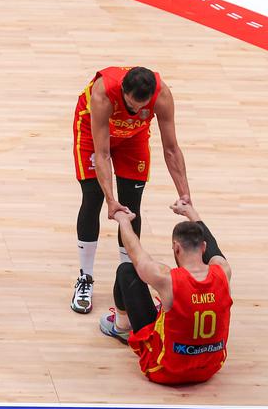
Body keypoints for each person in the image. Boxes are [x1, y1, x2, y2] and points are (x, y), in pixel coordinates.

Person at [72, 65, 191, 314]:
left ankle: (128, 277)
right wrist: (110, 199)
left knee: (131, 205)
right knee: (93, 197)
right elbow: (102, 153)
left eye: (141, 106)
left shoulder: (163, 95)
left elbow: (171, 148)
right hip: (93, 130)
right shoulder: (102, 94)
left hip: (133, 136)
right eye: (131, 105)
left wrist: (185, 194)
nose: (136, 110)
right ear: (123, 92)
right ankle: (85, 278)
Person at [100, 200, 233, 385]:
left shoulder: (167, 280)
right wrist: (192, 213)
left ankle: (121, 327)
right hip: (209, 368)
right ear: (202, 247)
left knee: (126, 271)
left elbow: (135, 252)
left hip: (166, 371)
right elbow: (213, 245)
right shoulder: (223, 271)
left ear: (176, 248)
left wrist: (123, 220)